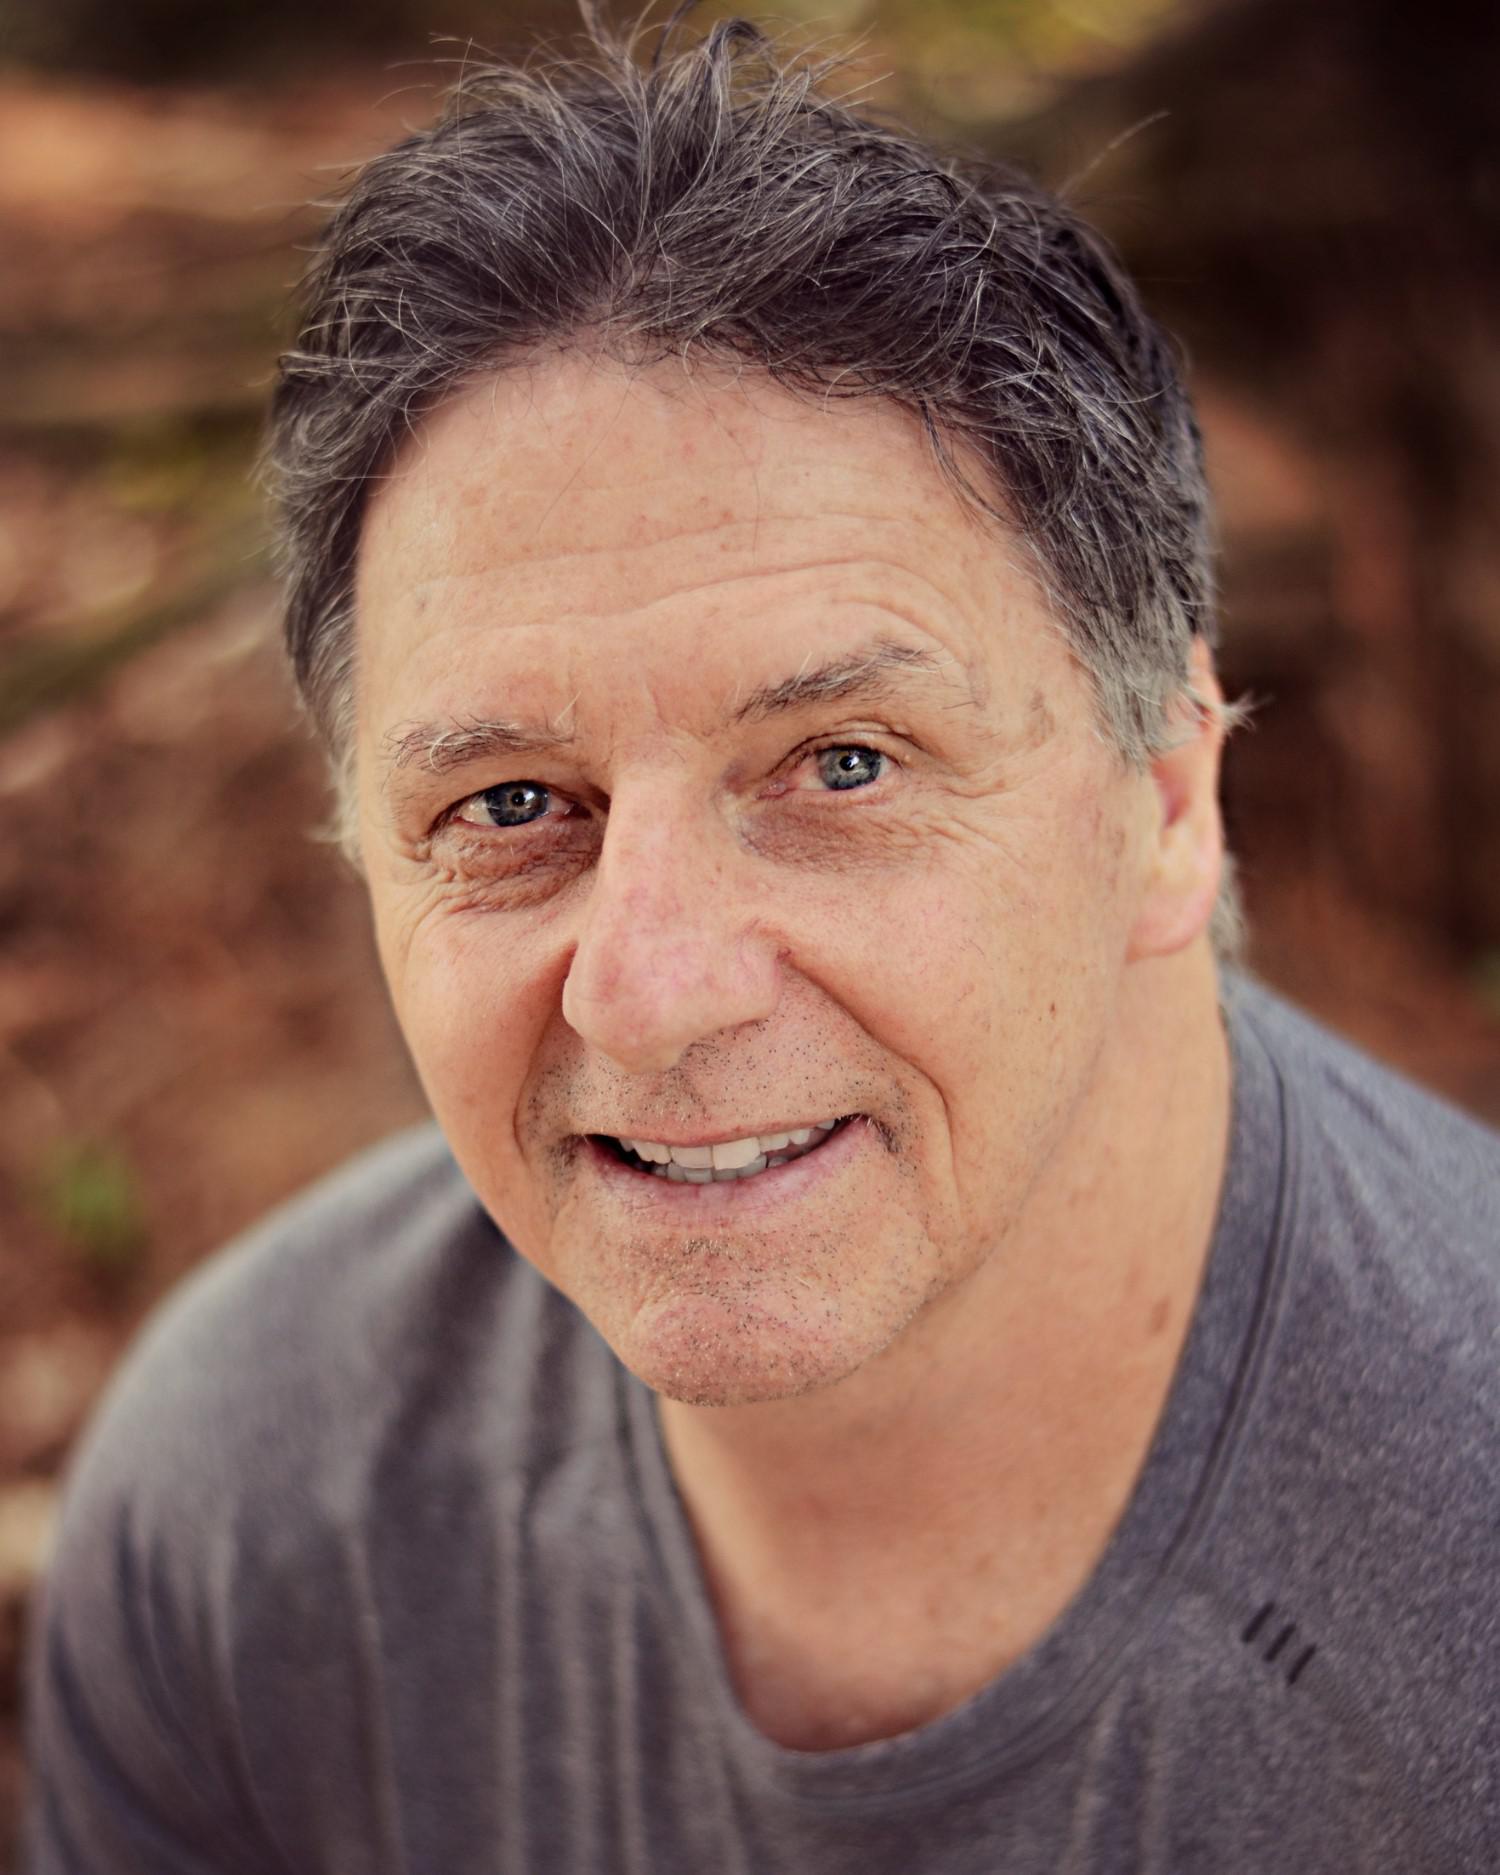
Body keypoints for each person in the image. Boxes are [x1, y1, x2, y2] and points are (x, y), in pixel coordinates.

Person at [24, 10, 1500, 1871]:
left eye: (844, 764)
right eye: (510, 803)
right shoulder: (248, 1517)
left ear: (1170, 799)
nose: (653, 992)